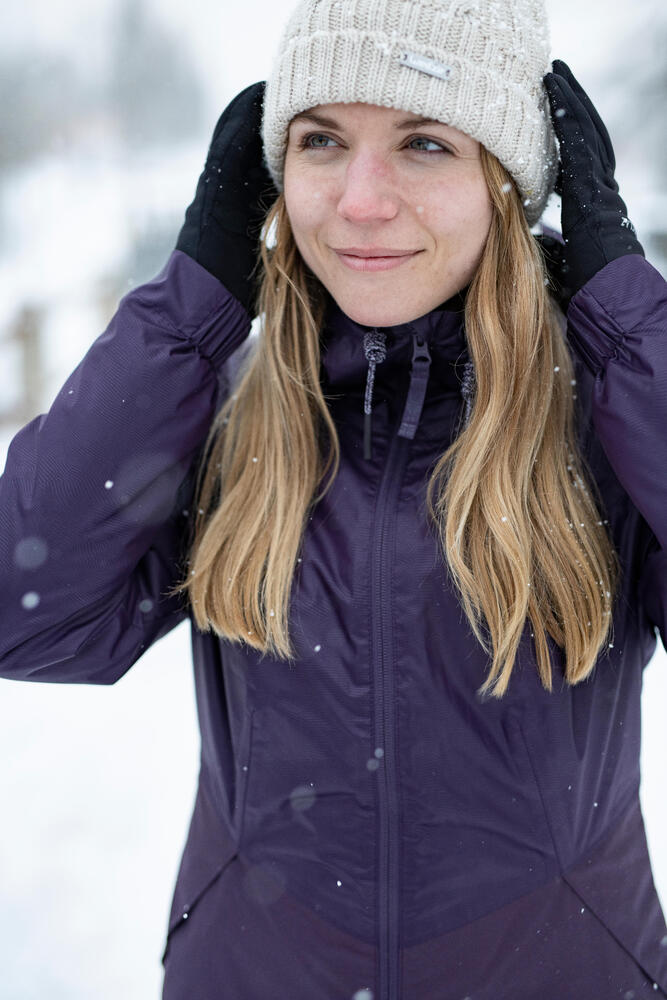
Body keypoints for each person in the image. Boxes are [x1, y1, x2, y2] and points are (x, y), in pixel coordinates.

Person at [1, 0, 666, 996]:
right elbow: (24, 610)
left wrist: (627, 328)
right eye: (322, 140)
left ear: (507, 182)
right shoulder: (221, 414)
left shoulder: (607, 424)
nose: (359, 200)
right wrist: (189, 309)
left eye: (424, 142)